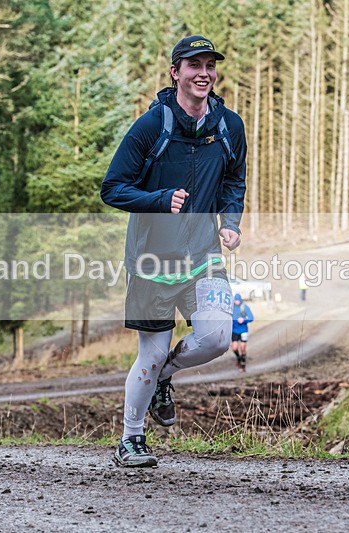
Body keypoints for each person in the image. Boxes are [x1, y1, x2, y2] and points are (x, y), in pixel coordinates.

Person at [101, 35, 247, 467]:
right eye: (193, 65)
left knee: (218, 336)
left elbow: (234, 179)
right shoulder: (152, 125)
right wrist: (159, 199)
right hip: (151, 260)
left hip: (204, 255)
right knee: (150, 351)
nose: (203, 72)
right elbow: (113, 188)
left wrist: (231, 222)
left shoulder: (229, 125)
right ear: (175, 72)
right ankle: (130, 440)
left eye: (210, 65)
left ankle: (166, 374)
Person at [231, 293, 254, 372]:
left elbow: (251, 318)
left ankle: (243, 365)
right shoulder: (231, 307)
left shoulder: (244, 307)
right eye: (235, 300)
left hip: (243, 330)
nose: (236, 302)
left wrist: (244, 320)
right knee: (234, 348)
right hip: (234, 330)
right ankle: (239, 358)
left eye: (237, 300)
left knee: (243, 347)